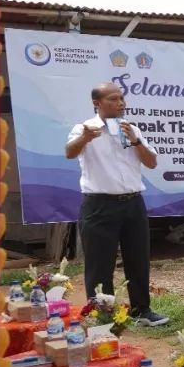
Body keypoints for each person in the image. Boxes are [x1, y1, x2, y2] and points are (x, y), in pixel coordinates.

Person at [66, 83, 169, 327]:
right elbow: (70, 152)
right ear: (97, 103)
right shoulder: (85, 129)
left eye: (122, 98)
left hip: (133, 203)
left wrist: (136, 141)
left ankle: (141, 310)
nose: (121, 103)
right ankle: (103, 314)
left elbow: (152, 162)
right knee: (99, 263)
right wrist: (85, 138)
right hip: (99, 205)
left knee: (138, 259)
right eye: (113, 99)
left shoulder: (132, 129)